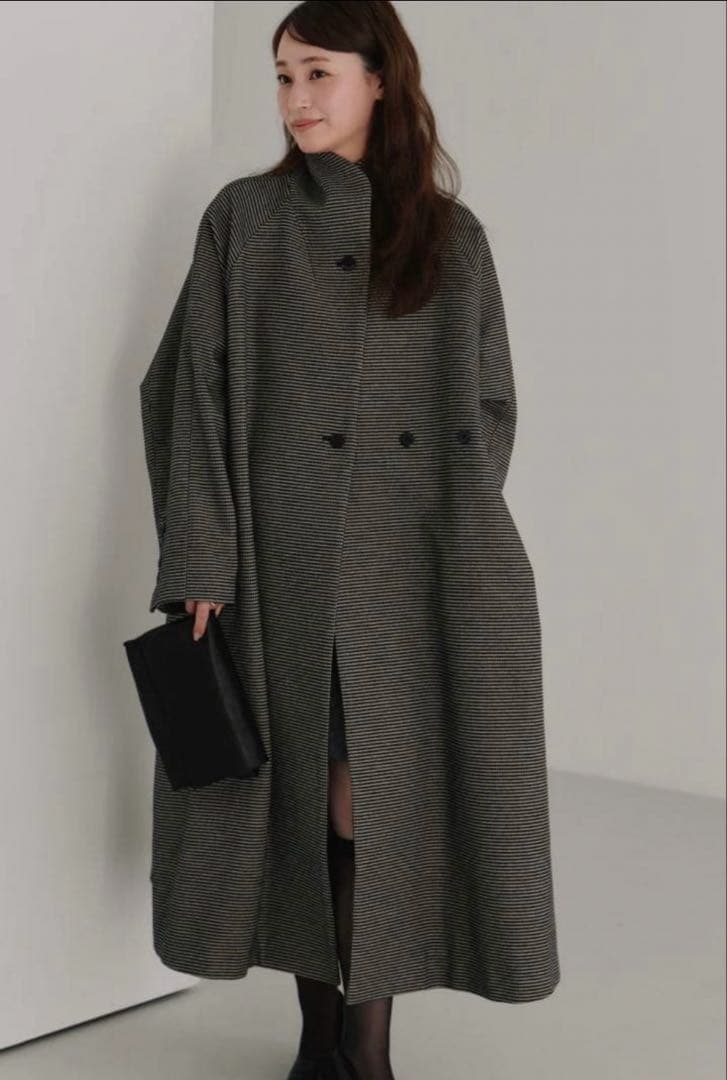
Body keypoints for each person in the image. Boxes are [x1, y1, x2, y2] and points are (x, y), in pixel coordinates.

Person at [139, 3, 561, 1079]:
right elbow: (185, 389)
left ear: (380, 79)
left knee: (373, 802)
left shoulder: (452, 239)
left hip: (411, 575)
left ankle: (362, 1051)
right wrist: (202, 555)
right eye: (282, 76)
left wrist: (437, 521)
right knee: (298, 801)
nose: (295, 99)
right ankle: (318, 1037)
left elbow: (492, 404)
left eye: (317, 72)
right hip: (277, 570)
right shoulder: (245, 221)